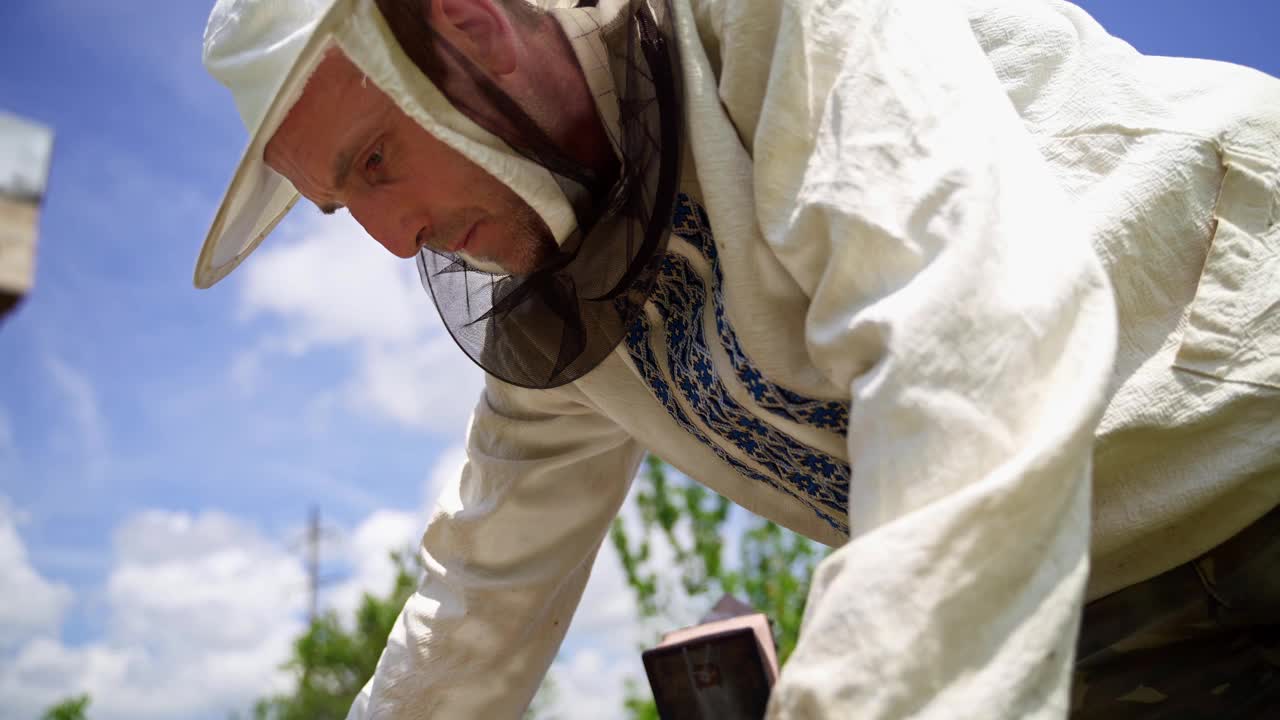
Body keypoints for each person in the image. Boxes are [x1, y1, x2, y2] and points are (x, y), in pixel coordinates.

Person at [196, 0, 1280, 716]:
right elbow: (474, 602)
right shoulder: (562, 308)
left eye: (375, 160)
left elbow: (970, 344)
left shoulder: (766, 20)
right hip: (1090, 594)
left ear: (471, 25)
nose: (390, 239)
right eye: (345, 207)